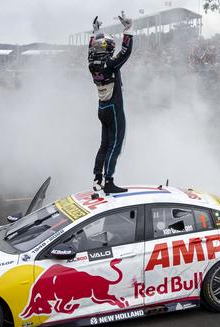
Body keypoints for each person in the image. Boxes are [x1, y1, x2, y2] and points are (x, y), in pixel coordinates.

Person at [88, 12, 133, 194]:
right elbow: (126, 51)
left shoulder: (92, 63)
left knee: (104, 145)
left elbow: (90, 50)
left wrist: (95, 32)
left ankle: (97, 177)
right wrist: (129, 30)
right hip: (114, 109)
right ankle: (109, 181)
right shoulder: (110, 65)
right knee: (115, 144)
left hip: (102, 108)